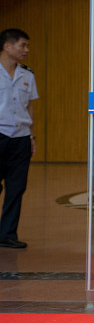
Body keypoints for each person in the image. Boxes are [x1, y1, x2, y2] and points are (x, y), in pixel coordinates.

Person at [0, 29, 36, 250]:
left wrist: (31, 135)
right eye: (22, 45)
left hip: (20, 138)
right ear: (7, 46)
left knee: (16, 188)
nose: (26, 50)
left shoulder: (27, 74)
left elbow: (29, 106)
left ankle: (7, 234)